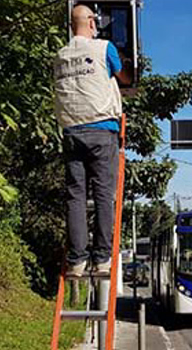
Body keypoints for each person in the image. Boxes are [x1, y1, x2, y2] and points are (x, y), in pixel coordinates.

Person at [54, 5, 130, 277]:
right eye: (95, 21)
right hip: (101, 131)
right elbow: (123, 76)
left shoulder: (60, 55)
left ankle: (76, 261)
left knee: (75, 197)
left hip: (72, 132)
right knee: (102, 196)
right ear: (89, 22)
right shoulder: (104, 48)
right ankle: (101, 258)